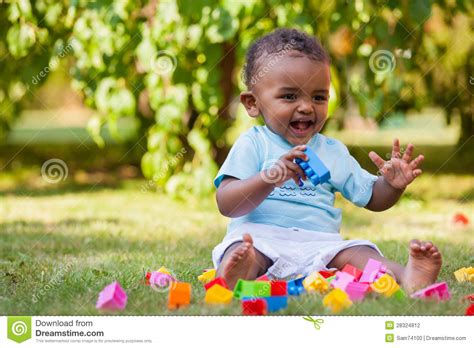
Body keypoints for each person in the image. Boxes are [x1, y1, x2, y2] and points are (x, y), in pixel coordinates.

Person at [212, 28, 441, 292]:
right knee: (242, 248)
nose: (307, 107)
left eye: (318, 97)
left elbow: (373, 198)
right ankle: (239, 271)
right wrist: (270, 177)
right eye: (289, 96)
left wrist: (391, 185)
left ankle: (408, 275)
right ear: (253, 103)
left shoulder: (332, 151)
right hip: (261, 238)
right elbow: (227, 202)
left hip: (321, 245)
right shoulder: (253, 143)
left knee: (358, 250)